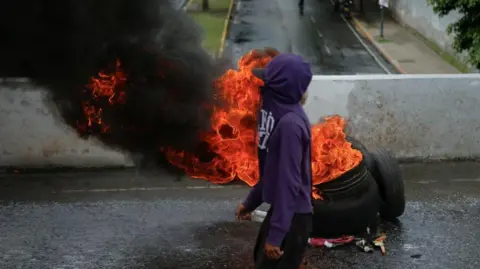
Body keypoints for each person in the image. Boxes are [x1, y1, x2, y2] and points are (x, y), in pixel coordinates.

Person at [235, 52, 313, 269]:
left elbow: (289, 184)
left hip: (293, 216)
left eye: (267, 81)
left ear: (280, 87)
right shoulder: (276, 115)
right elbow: (270, 170)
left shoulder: (290, 125)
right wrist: (250, 203)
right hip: (284, 211)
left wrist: (277, 236)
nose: (262, 85)